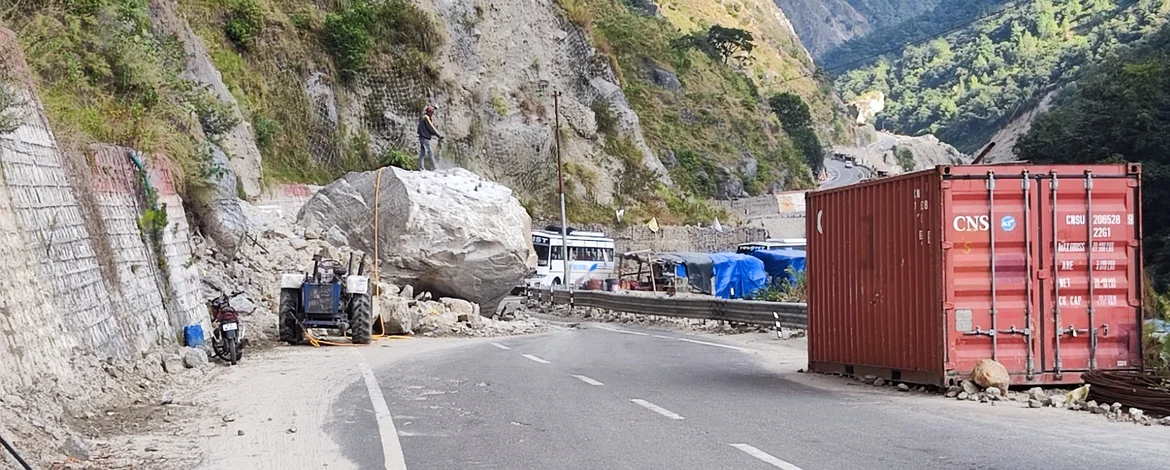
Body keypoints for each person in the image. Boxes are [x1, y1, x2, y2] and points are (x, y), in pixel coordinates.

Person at [417, 105, 443, 170]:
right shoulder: (426, 118)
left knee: (422, 152)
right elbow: (431, 127)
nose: (432, 114)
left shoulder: (422, 117)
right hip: (425, 138)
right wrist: (438, 135)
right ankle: (434, 167)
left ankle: (421, 167)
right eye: (432, 112)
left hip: (421, 137)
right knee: (430, 152)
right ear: (430, 112)